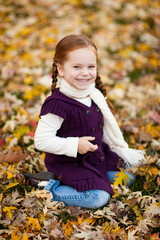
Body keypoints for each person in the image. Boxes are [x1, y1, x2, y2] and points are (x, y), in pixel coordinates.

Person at [31, 34, 146, 209]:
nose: (85, 72)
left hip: (95, 157)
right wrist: (75, 145)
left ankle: (97, 179)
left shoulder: (93, 95)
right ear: (61, 69)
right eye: (77, 67)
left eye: (90, 66)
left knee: (127, 177)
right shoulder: (57, 105)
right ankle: (49, 187)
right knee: (98, 198)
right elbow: (41, 141)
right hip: (69, 164)